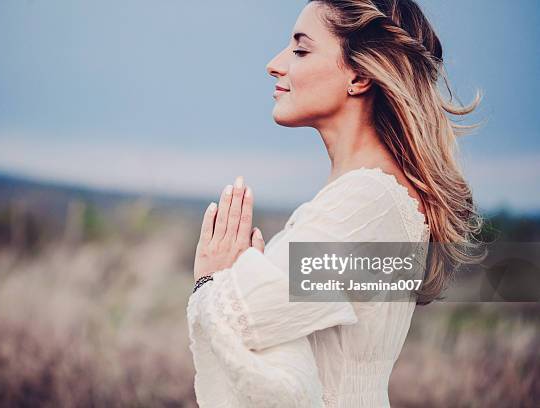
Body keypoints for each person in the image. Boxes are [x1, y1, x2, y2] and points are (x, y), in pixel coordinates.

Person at [186, 0, 483, 406]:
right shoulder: (363, 199)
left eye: (301, 50)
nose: (275, 64)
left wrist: (214, 279)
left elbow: (247, 318)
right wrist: (236, 279)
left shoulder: (368, 203)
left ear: (359, 76)